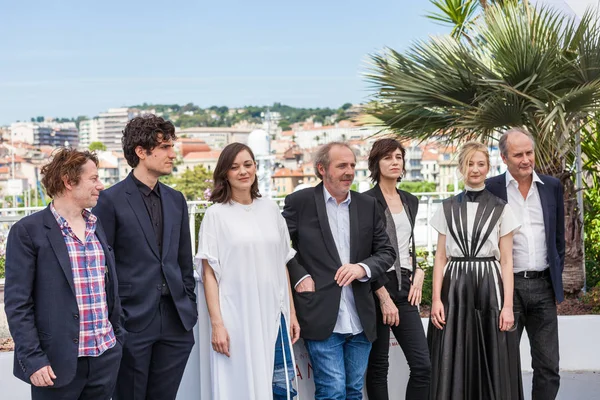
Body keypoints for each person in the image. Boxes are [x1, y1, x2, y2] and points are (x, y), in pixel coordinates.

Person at [4, 148, 124, 400]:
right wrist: (34, 359)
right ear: (69, 182)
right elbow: (18, 304)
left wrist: (117, 340)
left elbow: (108, 287)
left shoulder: (96, 225)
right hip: (55, 365)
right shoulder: (27, 231)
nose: (100, 186)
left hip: (104, 357)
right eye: (93, 178)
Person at [93, 115, 197, 400]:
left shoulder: (176, 199)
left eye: (171, 146)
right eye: (164, 147)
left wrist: (189, 303)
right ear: (141, 151)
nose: (172, 154)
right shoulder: (109, 201)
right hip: (131, 320)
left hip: (176, 321)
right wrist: (116, 319)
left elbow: (183, 260)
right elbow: (103, 266)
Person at [282, 142, 396, 400]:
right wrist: (300, 275)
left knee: (354, 391)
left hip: (360, 316)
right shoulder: (300, 202)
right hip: (320, 312)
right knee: (332, 391)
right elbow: (278, 246)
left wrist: (362, 268)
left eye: (353, 165)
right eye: (342, 165)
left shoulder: (368, 205)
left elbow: (387, 252)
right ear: (322, 169)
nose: (349, 171)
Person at [195, 142, 300, 400]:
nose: (243, 171)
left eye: (248, 164)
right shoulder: (216, 216)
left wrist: (292, 314)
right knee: (241, 384)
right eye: (234, 167)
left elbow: (282, 264)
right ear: (225, 174)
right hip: (237, 316)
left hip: (275, 315)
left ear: (255, 168)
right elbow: (209, 274)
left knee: (279, 387)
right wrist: (217, 324)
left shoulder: (271, 209)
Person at [428, 141, 523, 400]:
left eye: (480, 164)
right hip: (455, 287)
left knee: (492, 354)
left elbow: (506, 261)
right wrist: (436, 299)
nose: (475, 169)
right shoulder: (446, 207)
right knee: (454, 351)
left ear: (488, 167)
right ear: (461, 167)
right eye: (470, 163)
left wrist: (507, 306)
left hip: (490, 286)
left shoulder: (502, 208)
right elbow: (440, 257)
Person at [486, 128, 565, 400]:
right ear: (504, 157)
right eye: (518, 154)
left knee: (548, 366)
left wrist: (554, 280)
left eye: (529, 153)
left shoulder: (552, 186)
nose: (525, 160)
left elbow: (559, 240)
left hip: (543, 287)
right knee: (504, 366)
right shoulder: (490, 188)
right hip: (507, 290)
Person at [363, 138, 431, 399]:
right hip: (377, 287)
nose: (394, 162)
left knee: (423, 366)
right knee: (379, 366)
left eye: (398, 157)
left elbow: (409, 245)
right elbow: (365, 251)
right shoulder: (365, 201)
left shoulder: (410, 200)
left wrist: (419, 272)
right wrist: (382, 297)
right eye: (387, 157)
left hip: (405, 287)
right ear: (376, 164)